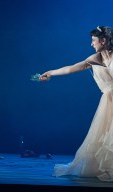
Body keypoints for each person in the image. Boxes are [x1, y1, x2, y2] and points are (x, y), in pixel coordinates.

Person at [39, 26, 113, 181]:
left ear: (103, 40)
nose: (91, 44)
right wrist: (50, 72)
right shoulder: (95, 59)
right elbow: (71, 68)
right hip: (108, 102)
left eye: (93, 41)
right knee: (105, 137)